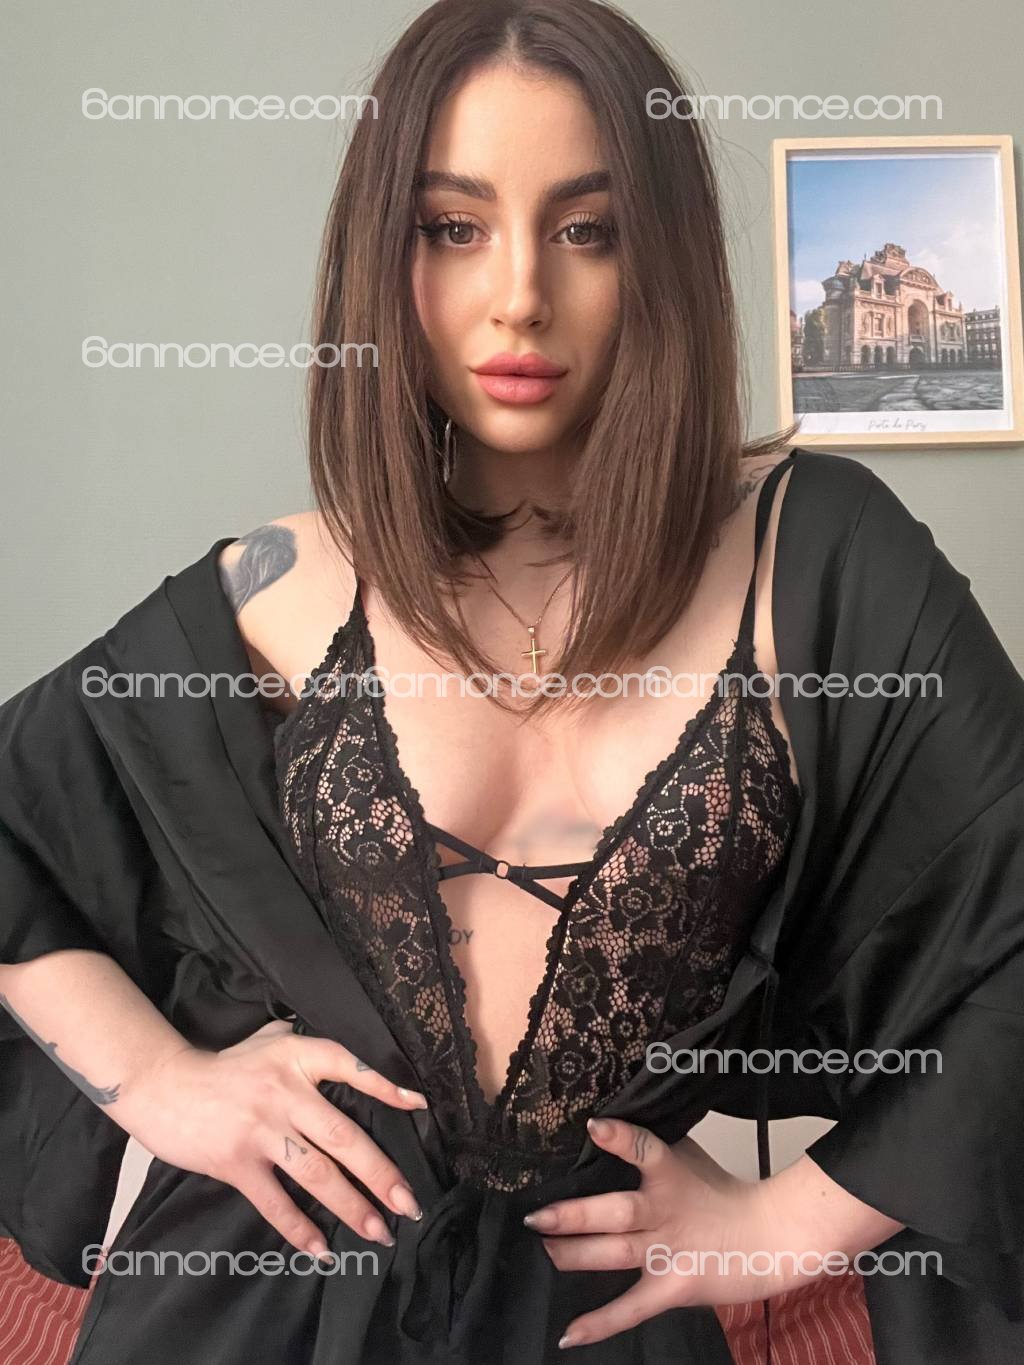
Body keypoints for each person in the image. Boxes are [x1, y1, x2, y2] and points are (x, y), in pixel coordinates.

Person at [2, 2, 1024, 1363]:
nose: (521, 293)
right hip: (252, 1309)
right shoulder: (273, 585)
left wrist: (793, 1221)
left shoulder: (818, 555)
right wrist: (159, 1083)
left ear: (661, 259)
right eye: (454, 226)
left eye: (588, 230)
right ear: (386, 257)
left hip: (599, 1319)